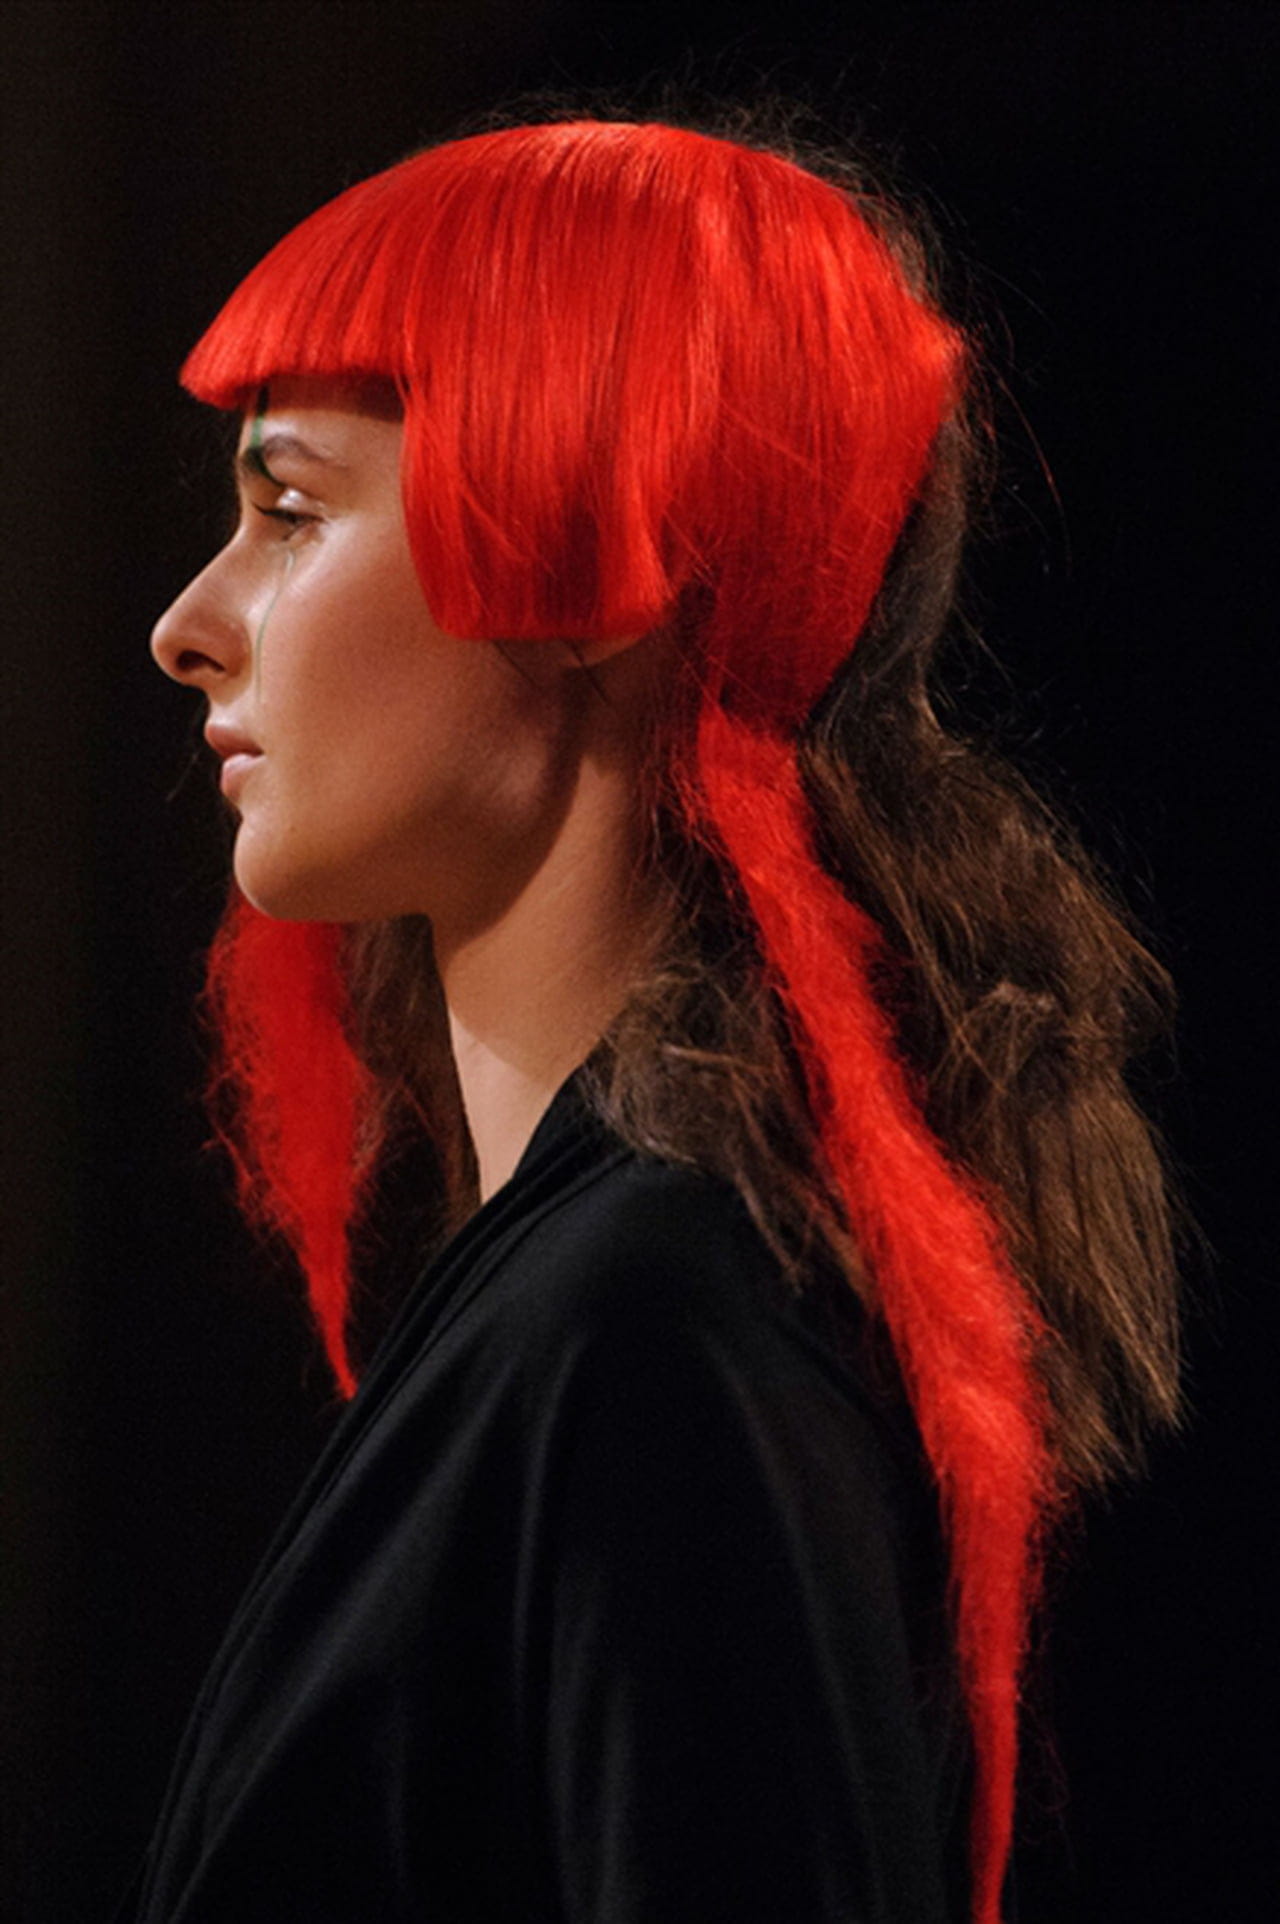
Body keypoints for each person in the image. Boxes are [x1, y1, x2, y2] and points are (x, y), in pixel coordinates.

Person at [132, 113, 1180, 1924]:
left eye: (291, 512)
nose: (187, 624)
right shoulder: (607, 1297)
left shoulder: (659, 1329)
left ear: (589, 563)